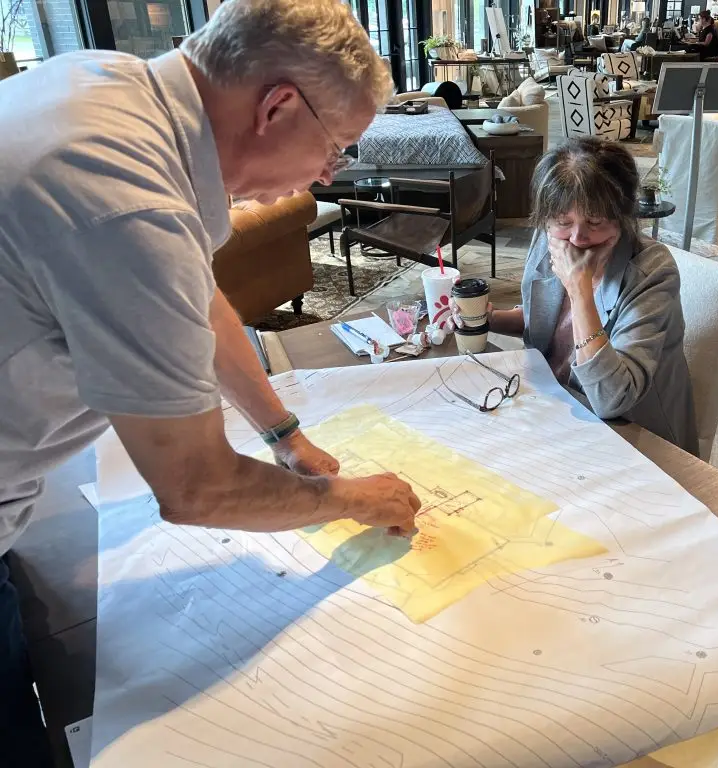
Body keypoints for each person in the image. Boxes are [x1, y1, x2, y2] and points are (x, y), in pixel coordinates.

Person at [0, 0, 421, 763]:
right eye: (336, 147)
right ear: (278, 106)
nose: (329, 174)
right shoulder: (127, 202)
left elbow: (193, 293)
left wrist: (283, 433)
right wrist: (352, 499)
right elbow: (196, 488)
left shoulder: (111, 85)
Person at [454, 138, 698, 454]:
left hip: (636, 439)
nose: (577, 238)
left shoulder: (651, 272)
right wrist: (488, 319)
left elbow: (612, 397)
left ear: (623, 216)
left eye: (594, 222)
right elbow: (549, 322)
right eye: (563, 222)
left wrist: (579, 289)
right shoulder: (550, 240)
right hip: (552, 409)